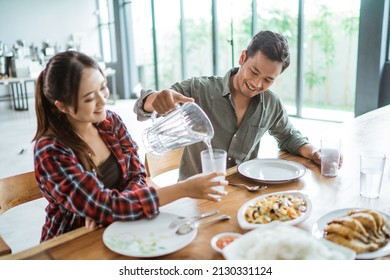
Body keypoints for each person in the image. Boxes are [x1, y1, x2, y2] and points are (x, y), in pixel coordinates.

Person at [33, 51, 227, 242]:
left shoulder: (110, 122)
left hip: (125, 228)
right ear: (62, 106)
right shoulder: (50, 151)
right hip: (73, 241)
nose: (103, 100)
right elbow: (107, 206)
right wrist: (183, 189)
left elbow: (137, 175)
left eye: (103, 87)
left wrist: (111, 210)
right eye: (90, 98)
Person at [134, 30, 342, 180]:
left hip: (242, 192)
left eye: (268, 80)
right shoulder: (200, 89)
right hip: (193, 198)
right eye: (253, 71)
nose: (257, 84)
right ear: (243, 57)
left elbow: (288, 137)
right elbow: (141, 108)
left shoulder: (271, 104)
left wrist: (315, 153)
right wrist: (155, 99)